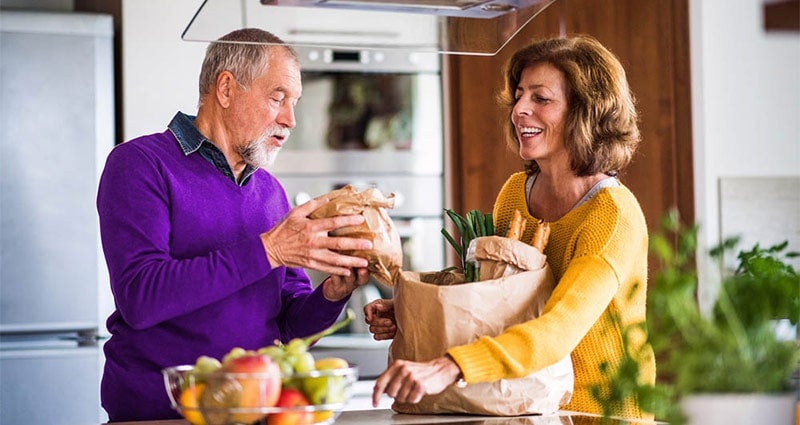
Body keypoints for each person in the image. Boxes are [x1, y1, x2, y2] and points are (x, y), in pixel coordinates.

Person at [365, 35, 656, 419]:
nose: (519, 109)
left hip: (601, 413)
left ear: (585, 111)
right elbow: (495, 294)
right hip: (529, 406)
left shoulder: (612, 215)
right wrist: (413, 311)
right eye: (519, 95)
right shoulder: (516, 194)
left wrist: (449, 366)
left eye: (540, 98)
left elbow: (558, 327)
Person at [96, 29, 373, 421]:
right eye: (277, 98)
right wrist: (267, 251)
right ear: (226, 88)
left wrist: (331, 294)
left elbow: (289, 327)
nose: (290, 119)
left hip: (256, 410)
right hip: (160, 413)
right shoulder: (140, 164)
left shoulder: (271, 191)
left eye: (294, 103)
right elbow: (141, 297)